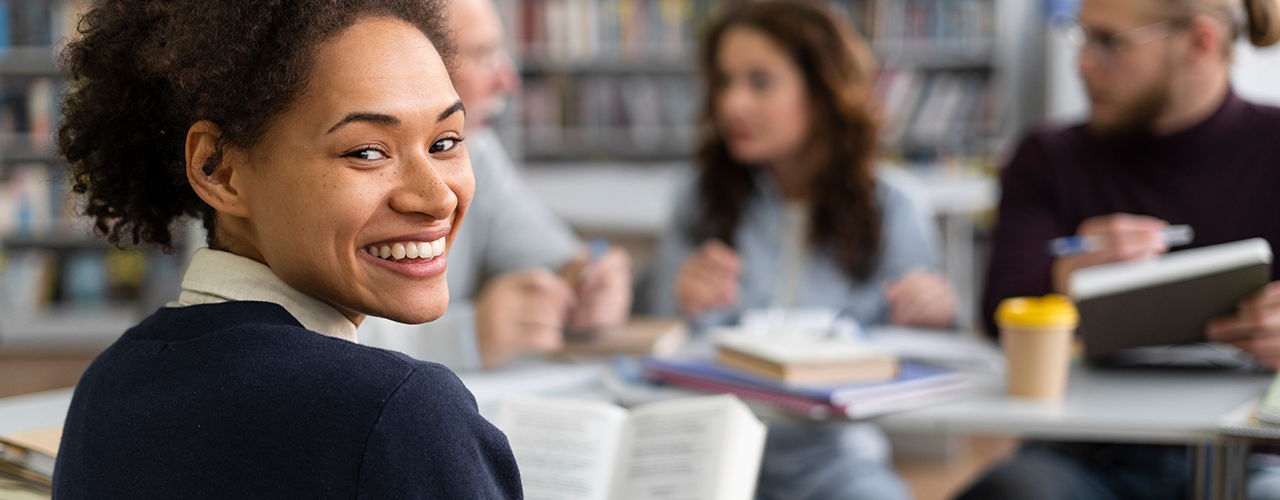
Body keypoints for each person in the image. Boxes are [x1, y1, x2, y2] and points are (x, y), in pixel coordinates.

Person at [51, 1, 521, 497]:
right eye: (366, 152)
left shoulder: (106, 385)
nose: (437, 196)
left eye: (445, 142)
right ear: (220, 170)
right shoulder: (401, 414)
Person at [642, 1, 958, 498]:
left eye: (760, 82)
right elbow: (651, 345)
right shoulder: (698, 197)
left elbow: (928, 350)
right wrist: (678, 300)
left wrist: (934, 310)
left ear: (822, 90)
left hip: (836, 459)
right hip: (709, 450)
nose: (733, 105)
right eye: (724, 82)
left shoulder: (893, 205)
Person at [969, 0, 1280, 498]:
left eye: (1110, 42)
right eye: (1082, 37)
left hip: (1254, 450)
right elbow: (997, 310)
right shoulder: (1049, 156)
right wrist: (1064, 276)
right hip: (1085, 450)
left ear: (1199, 42)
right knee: (1020, 491)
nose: (1083, 63)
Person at [359, 0, 633, 370]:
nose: (509, 80)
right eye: (484, 54)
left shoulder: (480, 152)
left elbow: (559, 262)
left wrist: (589, 285)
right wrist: (461, 337)